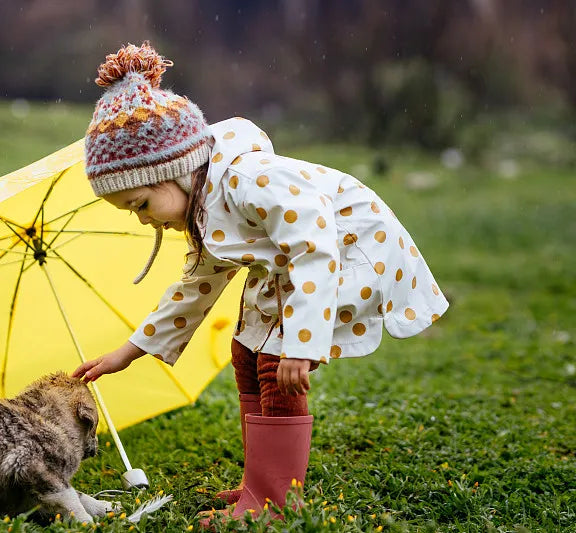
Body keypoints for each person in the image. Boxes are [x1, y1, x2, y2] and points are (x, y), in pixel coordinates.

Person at [72, 41, 449, 521]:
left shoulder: (250, 182)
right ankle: (258, 483)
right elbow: (195, 288)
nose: (145, 221)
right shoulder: (203, 205)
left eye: (142, 204)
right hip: (293, 266)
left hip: (352, 250)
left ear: (175, 172)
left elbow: (315, 249)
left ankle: (272, 503)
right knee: (245, 352)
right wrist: (130, 351)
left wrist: (302, 344)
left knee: (277, 365)